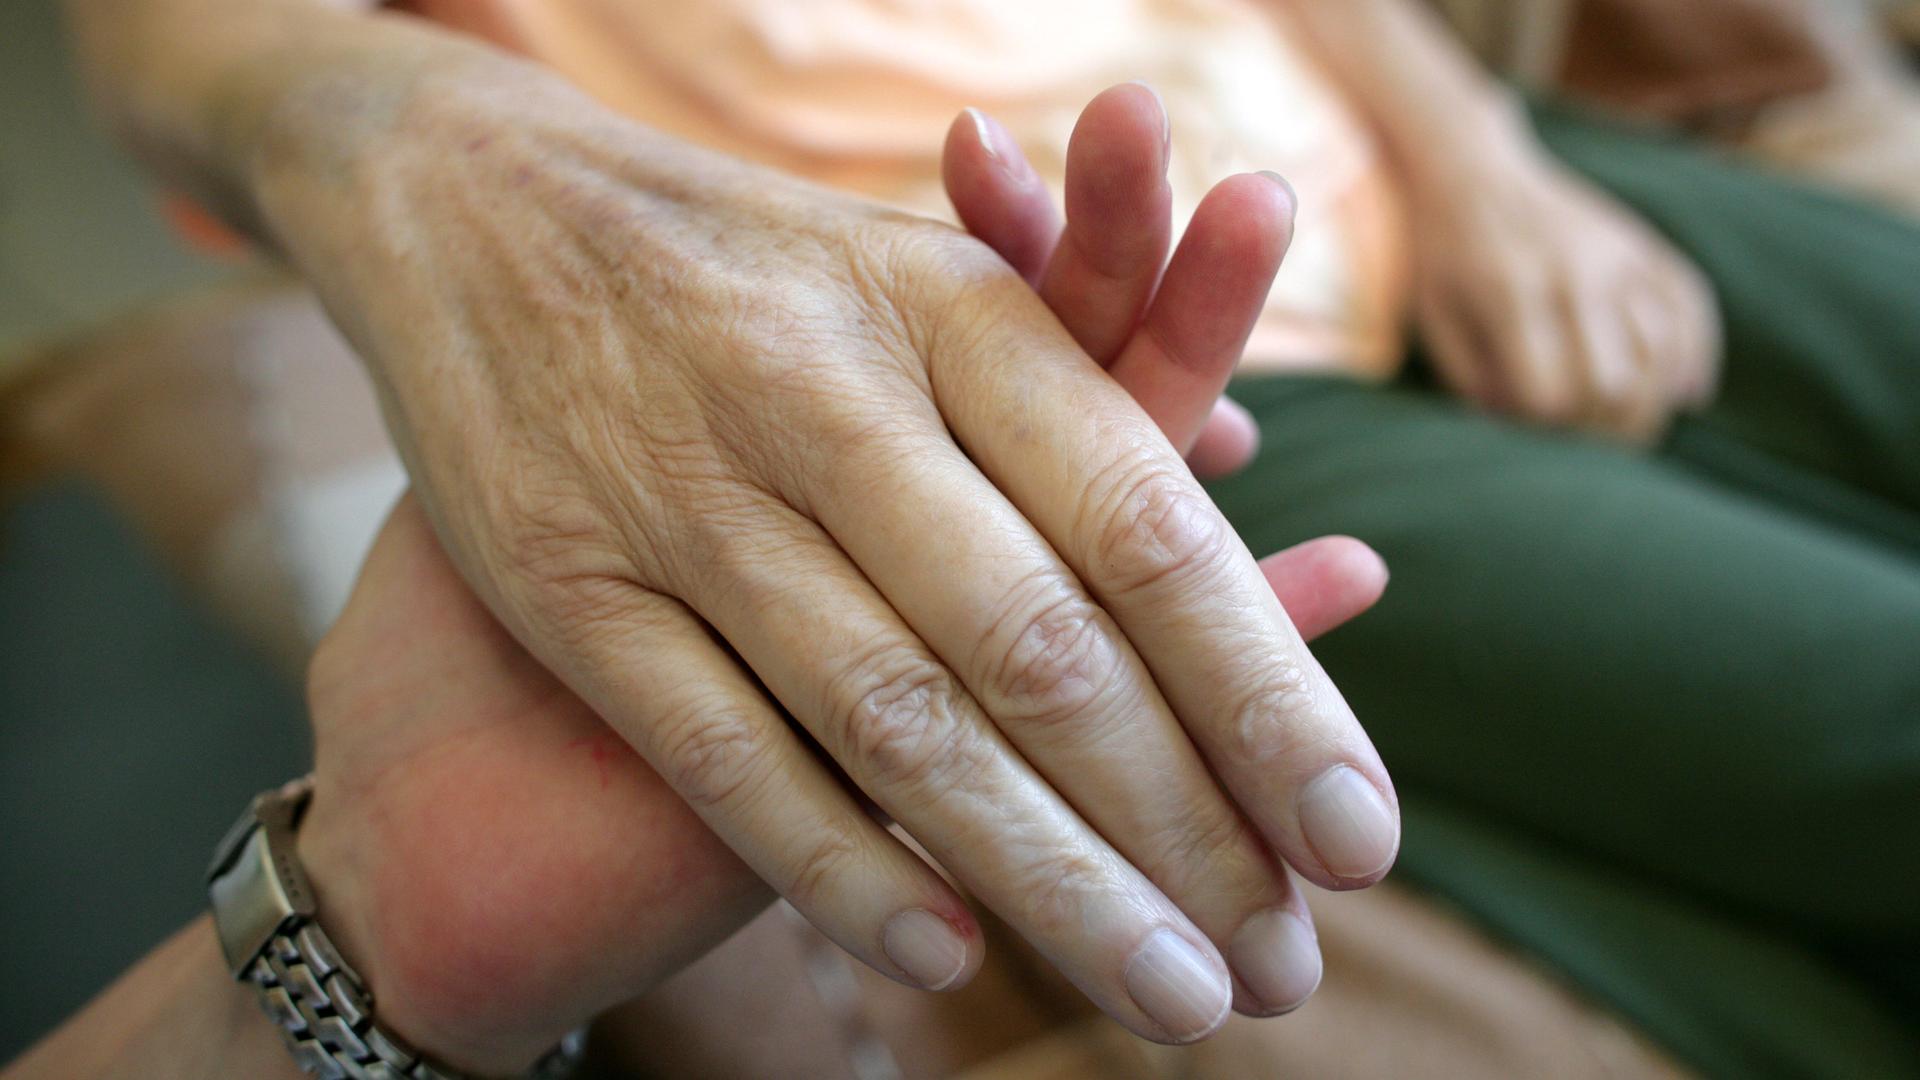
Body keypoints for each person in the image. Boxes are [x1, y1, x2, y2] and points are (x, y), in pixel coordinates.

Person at [36, 0, 1920, 1074]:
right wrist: (461, 154)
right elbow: (195, 55)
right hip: (1082, 384)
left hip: (1391, 170)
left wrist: (1479, 155)